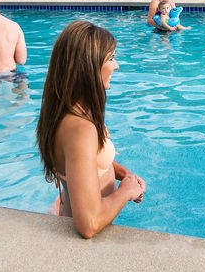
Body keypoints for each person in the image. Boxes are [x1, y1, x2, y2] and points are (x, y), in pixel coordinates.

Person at [36, 20, 146, 238]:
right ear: (89, 66)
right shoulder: (81, 128)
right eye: (111, 59)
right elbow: (89, 223)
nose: (116, 66)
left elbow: (84, 162)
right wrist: (126, 191)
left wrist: (125, 175)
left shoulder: (69, 112)